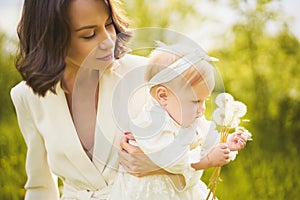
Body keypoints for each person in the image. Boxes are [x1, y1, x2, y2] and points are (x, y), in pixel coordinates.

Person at [10, 0, 172, 199]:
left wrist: (158, 165)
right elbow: (40, 187)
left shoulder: (147, 75)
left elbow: (198, 153)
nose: (108, 41)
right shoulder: (27, 97)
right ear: (53, 39)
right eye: (89, 34)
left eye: (109, 25)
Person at [109, 42, 247, 200]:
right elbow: (171, 159)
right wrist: (206, 160)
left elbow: (204, 131)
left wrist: (224, 140)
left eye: (204, 100)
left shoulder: (185, 114)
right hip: (153, 192)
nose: (202, 109)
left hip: (180, 190)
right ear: (163, 96)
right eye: (195, 101)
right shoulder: (151, 123)